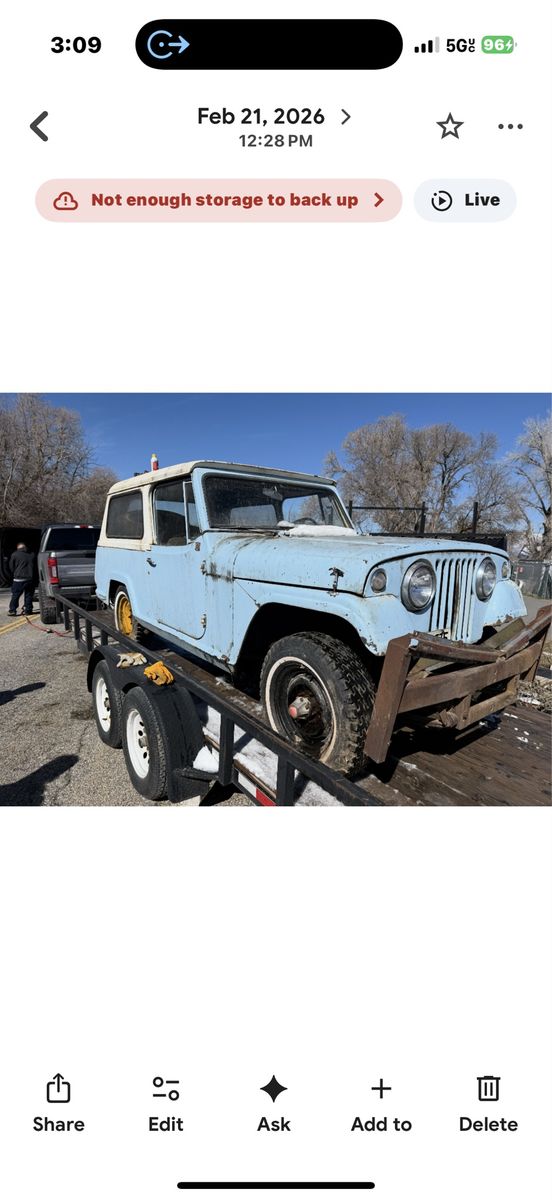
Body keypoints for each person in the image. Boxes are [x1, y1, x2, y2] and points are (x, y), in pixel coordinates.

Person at [8, 543, 36, 616]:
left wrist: (15, 573)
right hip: (29, 579)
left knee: (15, 595)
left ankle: (12, 610)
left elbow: (11, 567)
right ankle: (28, 610)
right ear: (25, 548)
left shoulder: (14, 555)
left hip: (18, 579)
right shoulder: (32, 555)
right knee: (29, 595)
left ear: (18, 548)